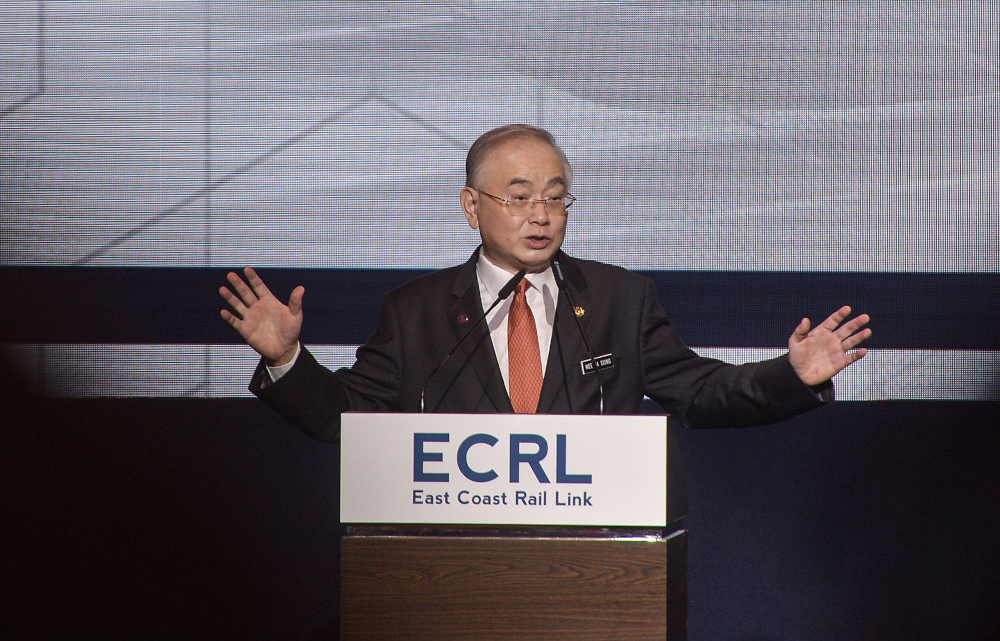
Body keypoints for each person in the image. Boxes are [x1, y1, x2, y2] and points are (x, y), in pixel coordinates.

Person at [219, 124, 870, 441]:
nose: (541, 215)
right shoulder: (414, 312)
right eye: (520, 196)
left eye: (556, 198)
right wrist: (287, 359)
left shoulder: (619, 300)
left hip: (592, 559)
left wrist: (791, 375)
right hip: (453, 561)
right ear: (471, 207)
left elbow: (701, 392)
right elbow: (350, 421)